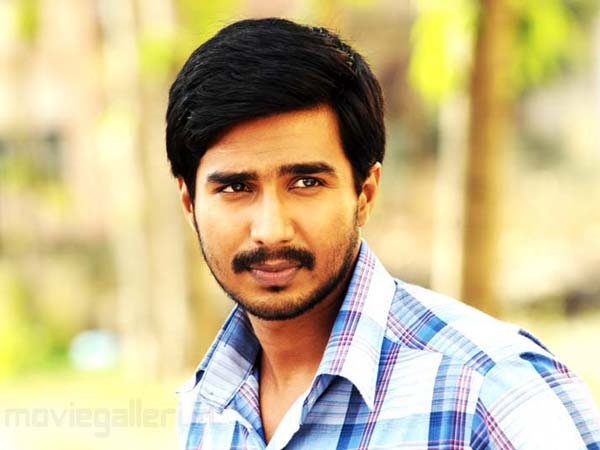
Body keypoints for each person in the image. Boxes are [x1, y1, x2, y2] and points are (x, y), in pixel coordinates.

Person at [166, 17, 600, 450]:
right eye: (235, 188)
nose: (271, 231)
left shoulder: (491, 392)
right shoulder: (207, 405)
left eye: (306, 183)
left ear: (365, 194)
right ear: (190, 204)